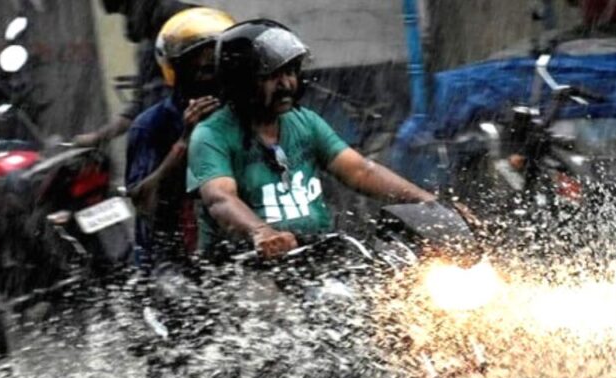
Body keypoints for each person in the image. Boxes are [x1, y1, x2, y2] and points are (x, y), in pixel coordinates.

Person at [187, 19, 438, 259]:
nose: (287, 84)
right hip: (244, 268)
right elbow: (220, 198)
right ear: (242, 81)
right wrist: (261, 232)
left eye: (290, 72)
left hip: (317, 255)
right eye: (273, 76)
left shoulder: (305, 121)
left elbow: (361, 171)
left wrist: (427, 203)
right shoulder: (211, 134)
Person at [125, 7, 235, 267]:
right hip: (171, 262)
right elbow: (144, 202)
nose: (208, 77)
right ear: (178, 71)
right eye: (200, 67)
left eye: (217, 67)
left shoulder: (244, 115)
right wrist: (185, 142)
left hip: (234, 250)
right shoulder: (151, 125)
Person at [74, 0, 195, 147]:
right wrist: (99, 137)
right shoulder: (149, 48)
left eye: (126, 10)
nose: (128, 21)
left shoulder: (178, 27)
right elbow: (138, 106)